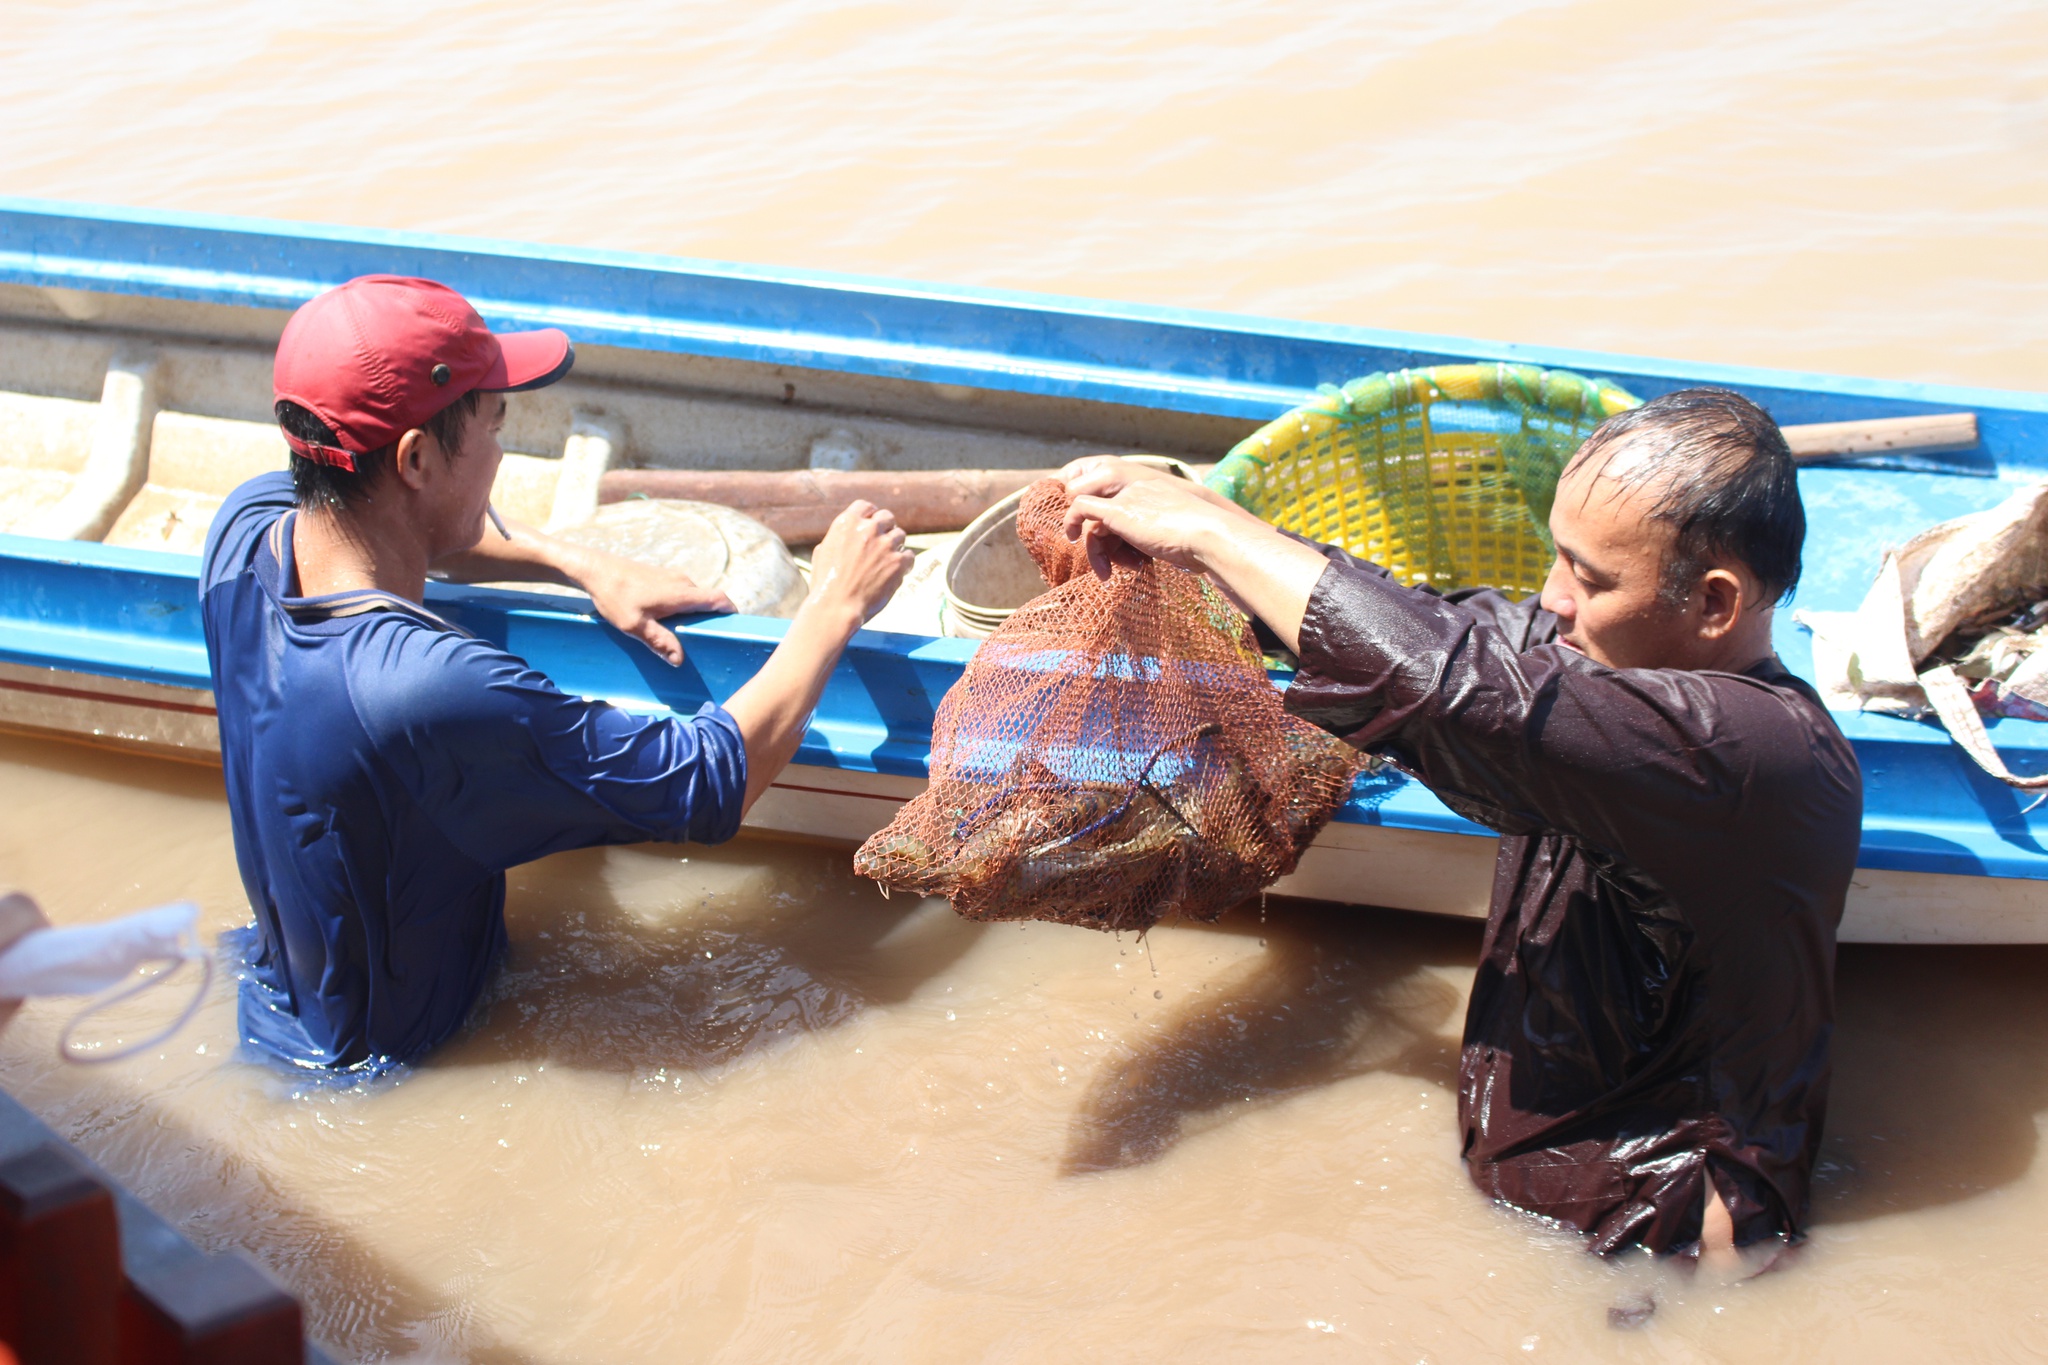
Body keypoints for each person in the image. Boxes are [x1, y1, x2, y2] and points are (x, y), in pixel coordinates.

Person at [1058, 388, 1861, 1263]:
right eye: (1559, 557)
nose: (1552, 597)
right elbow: (1423, 626)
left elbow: (1454, 691)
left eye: (1591, 579)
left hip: (1655, 1239)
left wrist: (1215, 535)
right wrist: (1194, 522)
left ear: (1714, 604)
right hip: (1543, 1200)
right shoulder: (1589, 652)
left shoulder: (1759, 757)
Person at [201, 275, 912, 1070]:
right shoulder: (425, 690)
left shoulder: (247, 530)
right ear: (414, 457)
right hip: (386, 1067)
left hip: (275, 1000)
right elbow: (707, 781)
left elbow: (408, 529)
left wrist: (577, 562)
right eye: (494, 425)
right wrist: (836, 604)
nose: (502, 454)